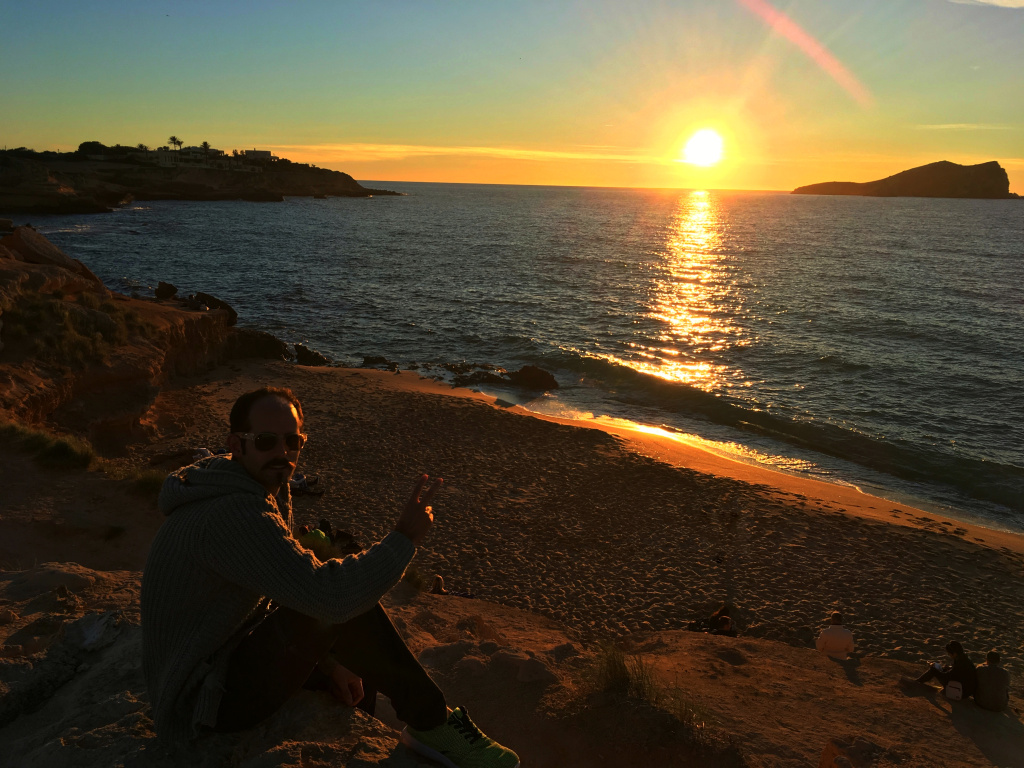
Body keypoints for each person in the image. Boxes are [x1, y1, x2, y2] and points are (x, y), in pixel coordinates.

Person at [141, 387, 519, 768]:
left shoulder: (246, 487)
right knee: (344, 596)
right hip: (202, 704)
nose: (282, 452)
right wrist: (403, 539)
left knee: (349, 642)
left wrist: (329, 664)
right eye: (267, 440)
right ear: (236, 445)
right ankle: (433, 722)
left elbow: (283, 591)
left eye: (293, 441)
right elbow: (329, 597)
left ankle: (364, 735)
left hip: (220, 660)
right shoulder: (234, 513)